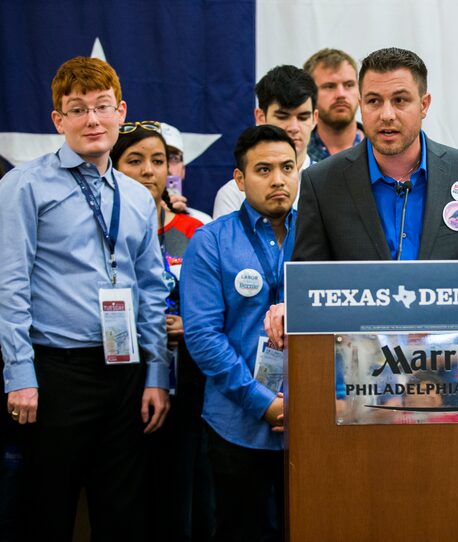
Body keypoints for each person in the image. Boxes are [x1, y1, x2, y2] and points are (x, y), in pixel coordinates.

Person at [0, 56, 170, 540]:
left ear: (121, 112)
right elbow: (9, 286)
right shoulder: (24, 186)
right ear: (59, 120)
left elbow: (153, 291)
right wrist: (20, 375)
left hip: (125, 371)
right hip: (56, 371)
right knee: (47, 510)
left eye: (101, 107)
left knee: (122, 511)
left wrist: (157, 375)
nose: (92, 120)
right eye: (77, 110)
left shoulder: (137, 196)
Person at [263, 47, 458, 346]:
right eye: (374, 101)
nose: (386, 114)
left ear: (424, 104)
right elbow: (308, 283)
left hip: (448, 365)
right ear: (360, 105)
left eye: (400, 100)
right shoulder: (322, 181)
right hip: (358, 368)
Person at [182, 125, 298, 541]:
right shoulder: (211, 241)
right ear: (239, 178)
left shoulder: (318, 237)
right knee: (240, 530)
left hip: (311, 421)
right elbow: (203, 336)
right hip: (237, 422)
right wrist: (261, 402)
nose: (279, 179)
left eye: (287, 167)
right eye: (263, 169)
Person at [110, 121, 214, 540]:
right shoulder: (103, 231)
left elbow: (223, 307)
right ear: (113, 167)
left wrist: (191, 325)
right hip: (122, 377)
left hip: (187, 380)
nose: (150, 170)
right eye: (135, 160)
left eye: (159, 160)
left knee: (183, 491)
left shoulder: (196, 231)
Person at [213, 65, 317, 218]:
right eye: (283, 116)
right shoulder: (233, 194)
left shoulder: (332, 185)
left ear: (314, 119)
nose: (294, 127)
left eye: (303, 117)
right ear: (261, 117)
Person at [303, 48, 364, 162]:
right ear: (309, 94)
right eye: (329, 86)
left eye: (349, 85)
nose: (341, 94)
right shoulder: (296, 154)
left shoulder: (381, 148)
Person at [159, 121, 213, 224]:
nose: (167, 168)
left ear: (183, 170)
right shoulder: (125, 220)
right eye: (157, 160)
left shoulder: (203, 222)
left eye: (173, 158)